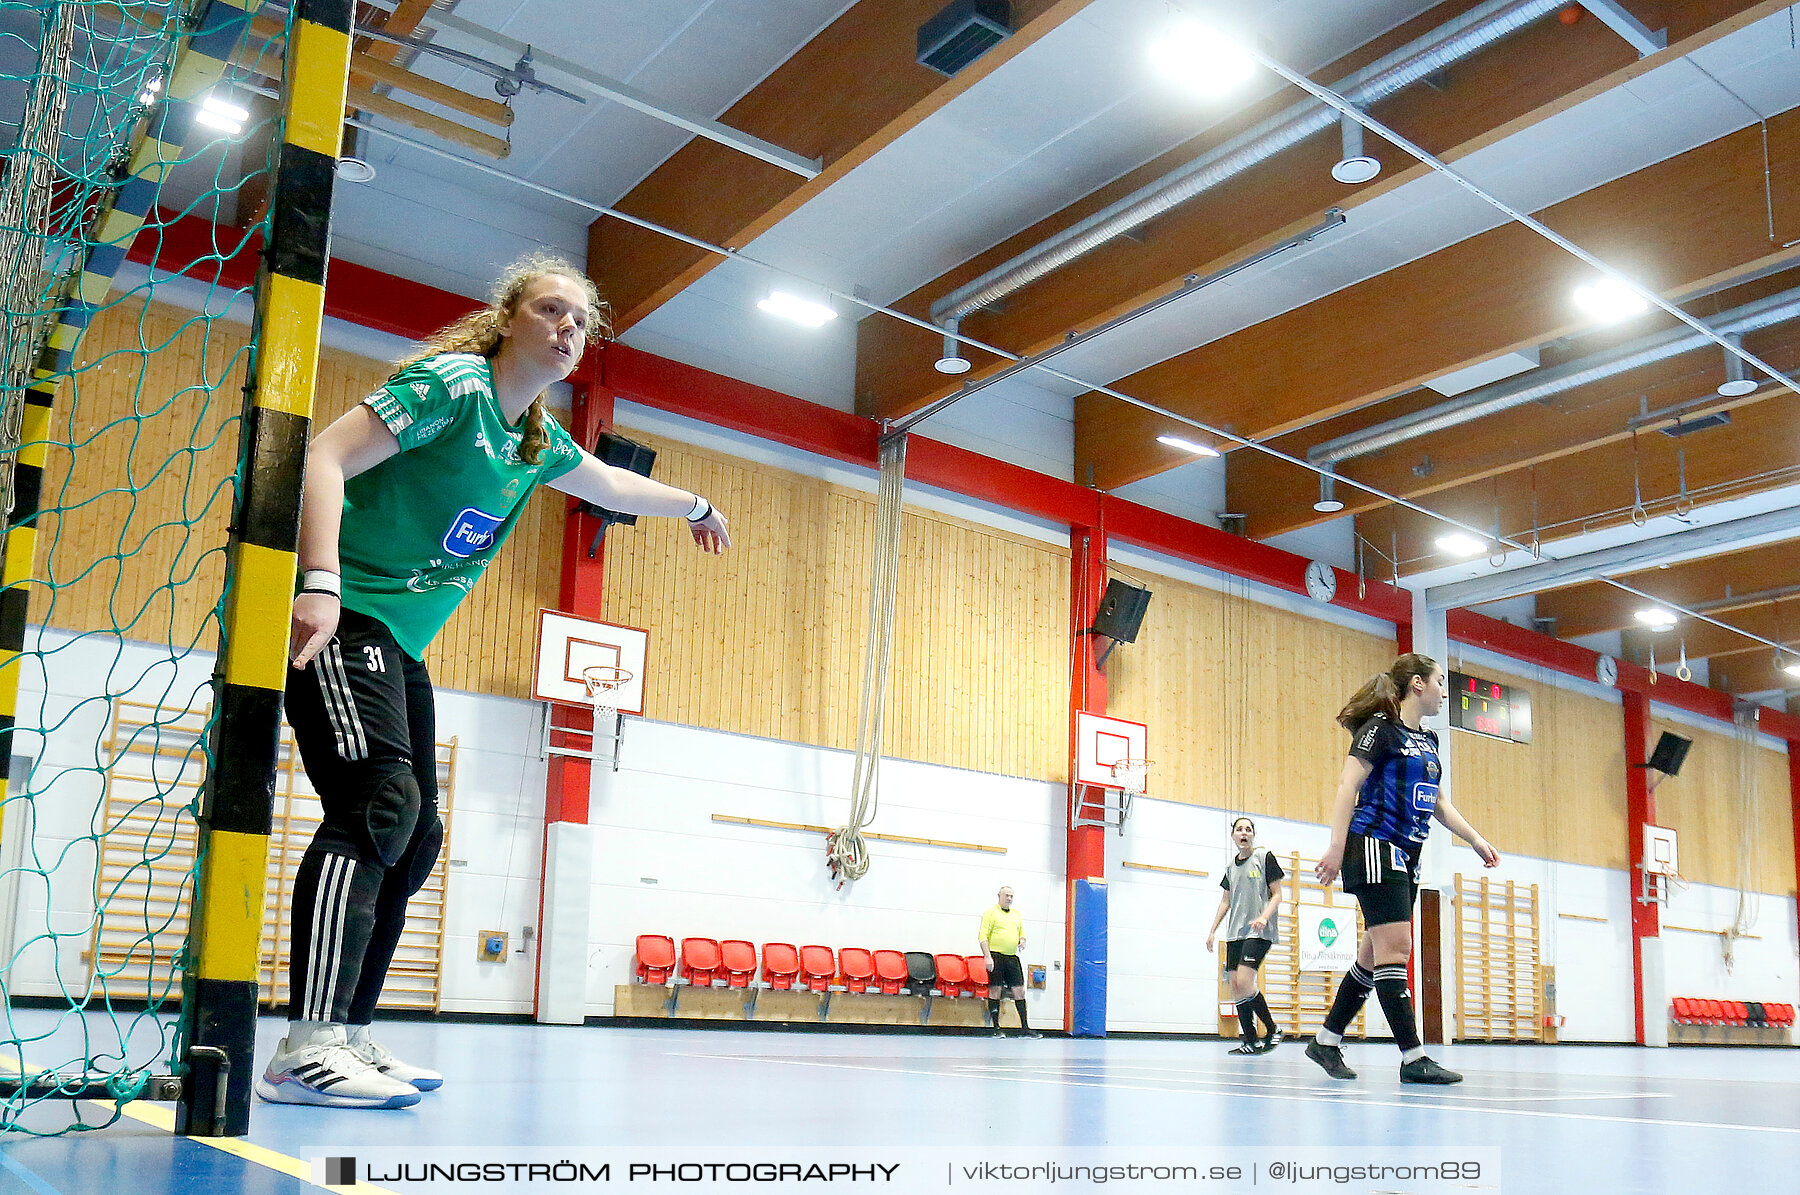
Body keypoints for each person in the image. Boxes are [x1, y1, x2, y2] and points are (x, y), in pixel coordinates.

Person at [256, 253, 732, 1109]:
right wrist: (319, 580)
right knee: (377, 803)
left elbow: (611, 482)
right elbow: (325, 457)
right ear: (508, 315)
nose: (567, 329)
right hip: (343, 611)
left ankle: (348, 1034)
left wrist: (694, 506)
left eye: (581, 322)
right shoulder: (453, 385)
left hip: (399, 638)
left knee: (418, 832)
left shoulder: (537, 440)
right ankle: (307, 1045)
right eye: (552, 310)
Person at [1305, 653, 1498, 1086]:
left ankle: (1326, 1041)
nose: (1445, 691)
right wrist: (1336, 847)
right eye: (1440, 682)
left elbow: (1440, 804)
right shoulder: (1379, 732)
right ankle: (1414, 1058)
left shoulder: (1429, 744)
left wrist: (1475, 838)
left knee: (1372, 956)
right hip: (1375, 844)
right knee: (1397, 952)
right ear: (1416, 684)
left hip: (1408, 855)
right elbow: (1347, 785)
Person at [1206, 816, 1283, 1054]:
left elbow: (1278, 894)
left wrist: (1264, 917)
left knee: (1245, 981)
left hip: (1258, 931)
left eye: (1248, 829)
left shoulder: (1264, 858)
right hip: (1235, 932)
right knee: (1236, 985)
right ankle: (1251, 1040)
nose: (1244, 833)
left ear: (1253, 835)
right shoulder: (1230, 867)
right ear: (1233, 836)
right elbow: (1225, 901)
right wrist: (1212, 930)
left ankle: (1272, 1029)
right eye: (1239, 829)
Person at [979, 886, 1040, 1037]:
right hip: (996, 956)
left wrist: (1022, 941)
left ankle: (1025, 1028)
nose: (1009, 898)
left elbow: (1022, 933)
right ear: (999, 895)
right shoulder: (990, 913)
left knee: (1019, 990)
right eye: (1006, 895)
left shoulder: (1016, 914)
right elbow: (982, 936)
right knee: (995, 990)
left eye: (1011, 896)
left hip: (1012, 957)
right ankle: (996, 1028)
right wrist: (987, 956)